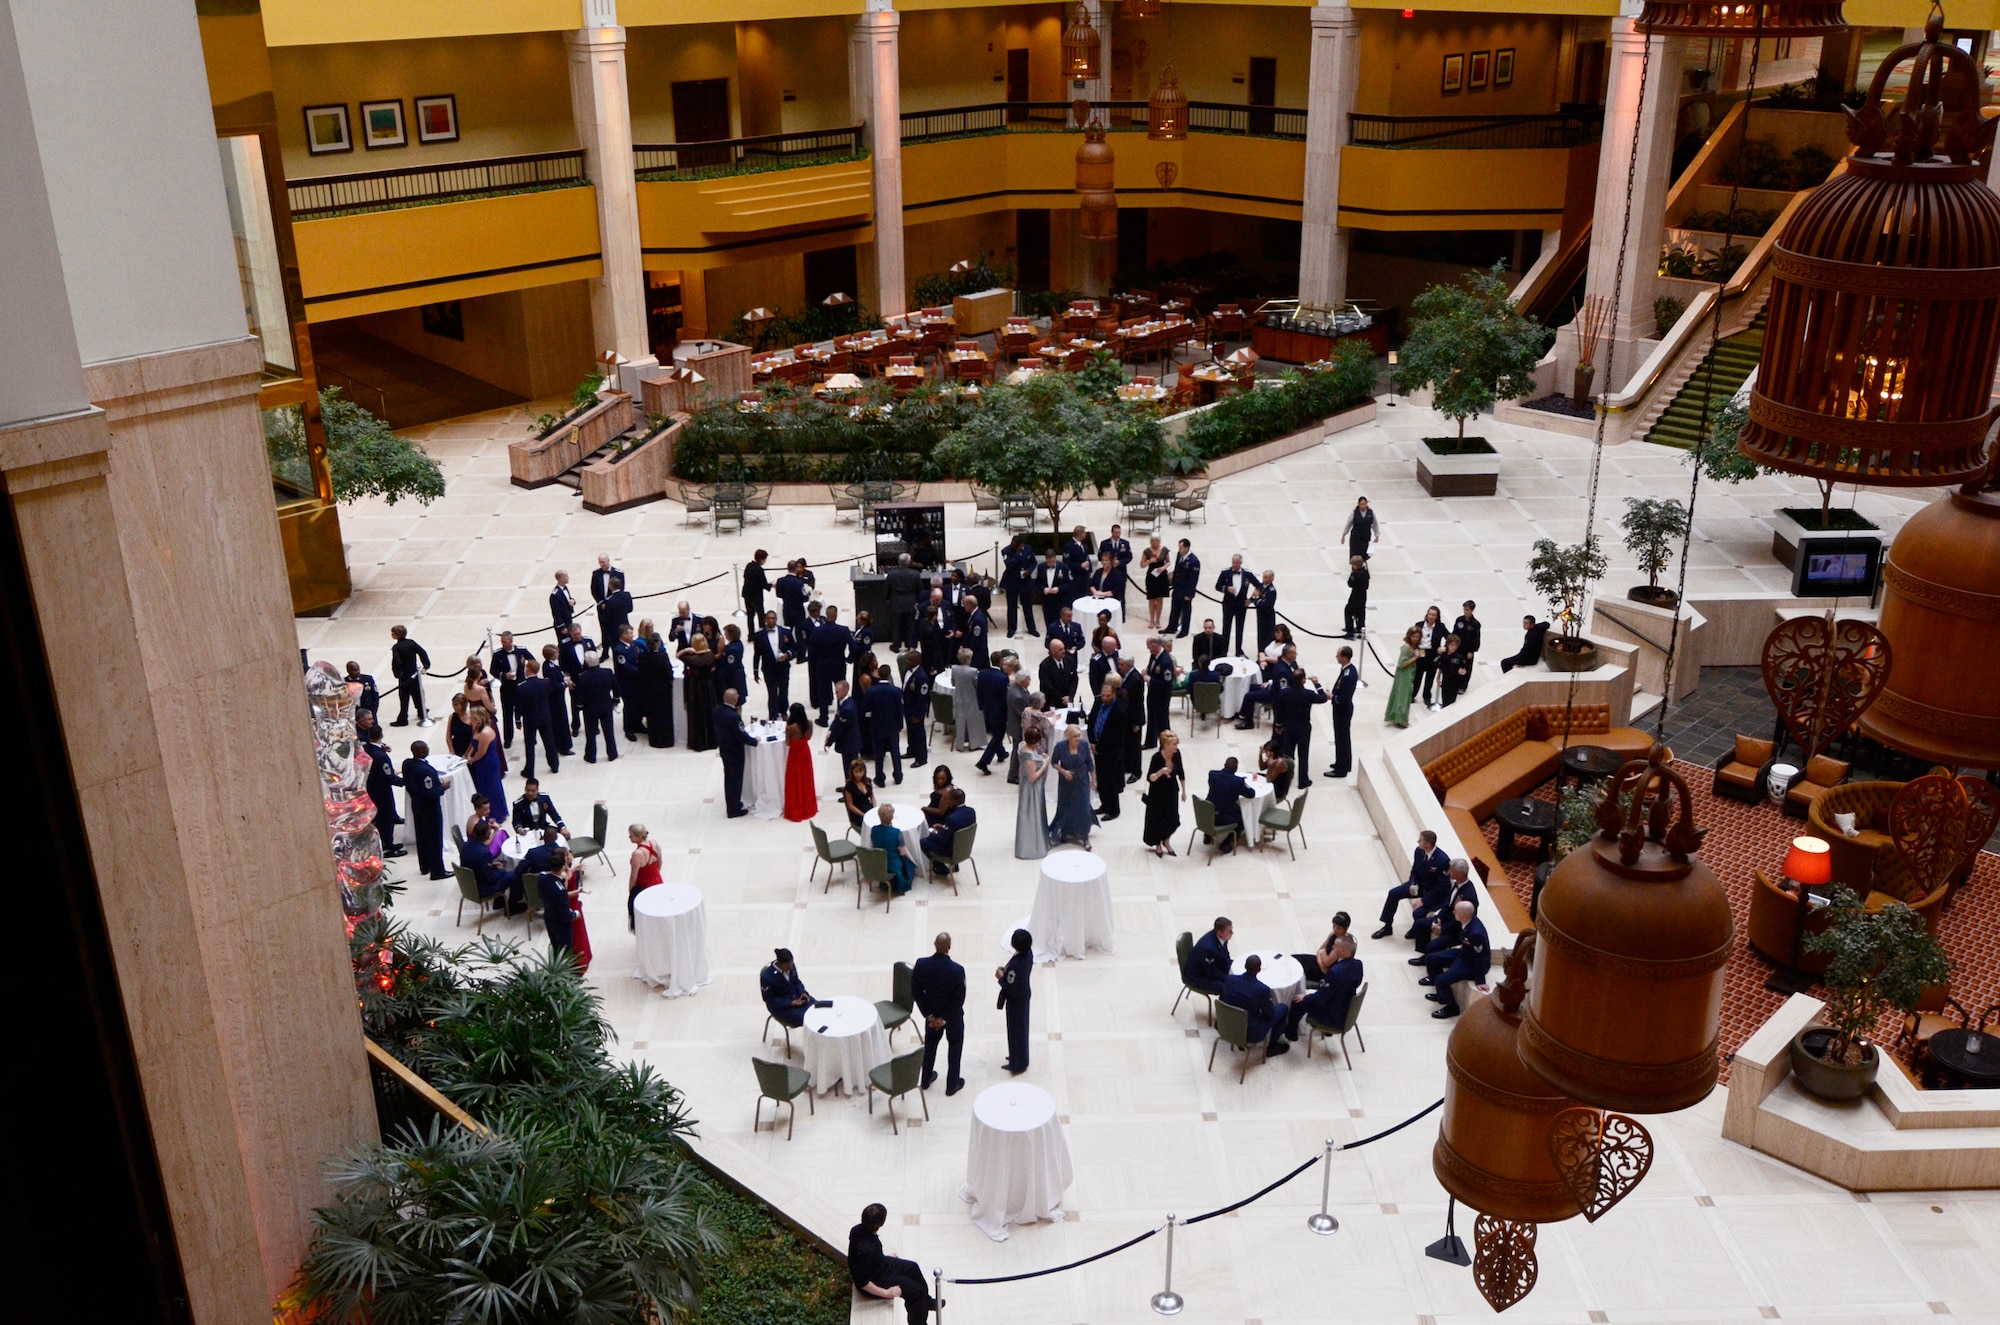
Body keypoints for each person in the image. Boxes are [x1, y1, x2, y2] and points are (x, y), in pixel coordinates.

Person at [849, 1203, 934, 1325]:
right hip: (876, 1281)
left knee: (913, 1267)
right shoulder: (867, 1251)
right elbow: (862, 1282)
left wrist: (881, 1257)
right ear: (881, 1223)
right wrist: (886, 1293)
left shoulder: (857, 1230)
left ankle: (926, 1302)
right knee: (916, 1292)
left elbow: (858, 1257)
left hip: (880, 1265)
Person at [912, 932, 967, 1093]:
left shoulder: (921, 965)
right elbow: (959, 999)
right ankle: (952, 1084)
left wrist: (930, 1015)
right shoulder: (957, 970)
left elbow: (916, 991)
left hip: (931, 1018)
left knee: (930, 1047)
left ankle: (926, 1079)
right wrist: (945, 1019)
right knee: (955, 1048)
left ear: (934, 944)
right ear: (949, 947)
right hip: (953, 1019)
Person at [1373, 830, 1451, 938]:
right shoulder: (1418, 851)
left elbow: (1442, 887)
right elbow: (1415, 870)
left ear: (1427, 844)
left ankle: (1415, 930)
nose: (1418, 841)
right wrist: (1413, 883)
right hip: (1419, 885)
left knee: (1419, 911)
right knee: (1393, 893)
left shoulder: (1443, 860)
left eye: (1420, 840)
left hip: (1432, 891)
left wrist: (1423, 900)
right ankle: (1387, 926)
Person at [1285, 934, 1364, 1040]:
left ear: (1344, 951)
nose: (1332, 947)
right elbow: (1355, 983)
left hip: (1332, 1014)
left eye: (1336, 946)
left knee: (1297, 1001)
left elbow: (1319, 997)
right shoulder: (1358, 965)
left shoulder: (1335, 972)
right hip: (1345, 1007)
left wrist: (1304, 997)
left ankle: (1291, 1034)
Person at [1421, 900, 1491, 1018]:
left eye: (1456, 911)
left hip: (1471, 963)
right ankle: (1440, 992)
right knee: (1431, 959)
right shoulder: (1466, 922)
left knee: (1441, 980)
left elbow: (1480, 957)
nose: (1453, 912)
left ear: (1463, 915)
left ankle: (1452, 1008)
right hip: (1464, 953)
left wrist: (1480, 980)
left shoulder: (1475, 932)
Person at [1222, 954, 1290, 1056]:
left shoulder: (1229, 980)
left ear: (1245, 966)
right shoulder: (1262, 990)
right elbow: (1270, 1015)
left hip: (1227, 1024)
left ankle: (1240, 1042)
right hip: (1250, 1032)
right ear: (1259, 970)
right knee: (1282, 1008)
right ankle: (1272, 1046)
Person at [401, 741, 451, 880]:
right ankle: (437, 871)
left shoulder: (407, 764)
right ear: (422, 752)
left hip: (416, 805)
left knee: (422, 836)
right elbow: (429, 793)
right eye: (426, 748)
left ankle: (425, 865)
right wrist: (442, 788)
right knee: (435, 839)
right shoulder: (426, 771)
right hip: (430, 809)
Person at [1273, 667, 1327, 791]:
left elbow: (1279, 711)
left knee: (1288, 755)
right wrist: (1317, 684)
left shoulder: (1285, 693)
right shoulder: (1308, 694)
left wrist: (1278, 725)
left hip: (1289, 727)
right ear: (1303, 680)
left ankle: (1285, 779)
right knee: (1303, 754)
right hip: (1303, 727)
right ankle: (1303, 780)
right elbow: (1323, 698)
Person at [999, 724, 1049, 859]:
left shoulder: (1022, 746)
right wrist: (1045, 763)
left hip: (1025, 785)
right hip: (1032, 789)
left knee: (1028, 813)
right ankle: (1032, 847)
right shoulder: (1029, 756)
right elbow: (1033, 777)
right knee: (1032, 814)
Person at [461, 819, 526, 915]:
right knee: (516, 874)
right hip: (483, 888)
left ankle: (499, 901)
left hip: (470, 884)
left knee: (506, 872)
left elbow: (475, 864)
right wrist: (502, 871)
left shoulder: (465, 846)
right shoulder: (484, 853)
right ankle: (512, 906)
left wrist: (491, 866)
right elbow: (491, 878)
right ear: (486, 835)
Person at [1049, 723, 1097, 847]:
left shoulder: (1084, 745)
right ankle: (1065, 832)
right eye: (1075, 736)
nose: (1078, 739)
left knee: (1083, 807)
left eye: (1079, 736)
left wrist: (1093, 779)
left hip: (1082, 781)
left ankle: (1084, 836)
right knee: (1066, 806)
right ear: (1069, 737)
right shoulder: (1060, 747)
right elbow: (1053, 762)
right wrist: (1064, 771)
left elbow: (1089, 763)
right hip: (1066, 782)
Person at [535, 846, 583, 965]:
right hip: (560, 923)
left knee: (555, 943)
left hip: (549, 917)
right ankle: (565, 971)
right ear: (562, 867)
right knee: (565, 947)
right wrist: (575, 914)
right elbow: (565, 913)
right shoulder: (560, 890)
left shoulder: (542, 878)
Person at [1143, 729, 1187, 857]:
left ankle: (1166, 840)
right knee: (1157, 819)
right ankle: (1158, 844)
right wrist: (1161, 772)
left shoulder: (1177, 754)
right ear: (1166, 745)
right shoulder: (1156, 758)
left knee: (1173, 818)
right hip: (1157, 793)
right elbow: (1150, 778)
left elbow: (1181, 773)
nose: (1176, 747)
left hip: (1171, 791)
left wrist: (1184, 791)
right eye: (1174, 744)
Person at [1087, 680, 1126, 822]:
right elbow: (1091, 721)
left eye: (1108, 696)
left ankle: (1113, 809)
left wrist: (1100, 747)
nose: (1105, 698)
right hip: (1096, 747)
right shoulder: (1098, 702)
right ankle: (1104, 804)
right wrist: (1092, 742)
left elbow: (1115, 735)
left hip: (1111, 751)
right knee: (1101, 779)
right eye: (1103, 695)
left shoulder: (1120, 709)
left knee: (1111, 781)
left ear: (1114, 694)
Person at [997, 928, 1034, 1073]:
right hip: (1023, 995)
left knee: (1015, 1031)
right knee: (1021, 1029)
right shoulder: (1028, 955)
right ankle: (1019, 1057)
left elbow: (1010, 986)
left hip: (1015, 1000)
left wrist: (1000, 977)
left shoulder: (1016, 965)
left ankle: (1017, 1063)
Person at [714, 688, 755, 818]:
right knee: (735, 780)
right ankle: (734, 808)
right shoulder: (734, 717)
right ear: (735, 699)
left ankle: (731, 804)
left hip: (725, 749)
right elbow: (742, 735)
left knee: (729, 778)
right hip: (735, 752)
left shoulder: (717, 711)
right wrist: (755, 741)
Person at [808, 605, 852, 725]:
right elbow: (853, 646)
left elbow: (812, 650)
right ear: (836, 615)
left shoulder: (817, 631)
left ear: (826, 615)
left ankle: (823, 718)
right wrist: (849, 658)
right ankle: (841, 715)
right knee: (841, 691)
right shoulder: (844, 630)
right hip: (838, 664)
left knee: (822, 692)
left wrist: (814, 664)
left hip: (822, 666)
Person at [363, 731, 403, 857]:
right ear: (381, 736)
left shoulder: (367, 749)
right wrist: (404, 781)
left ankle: (385, 843)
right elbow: (388, 776)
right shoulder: (380, 756)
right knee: (386, 817)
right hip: (381, 790)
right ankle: (389, 846)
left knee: (380, 817)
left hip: (373, 788)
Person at [574, 651, 619, 763]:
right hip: (606, 706)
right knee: (609, 732)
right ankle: (612, 754)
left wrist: (580, 705)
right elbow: (616, 687)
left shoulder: (582, 677)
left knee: (591, 733)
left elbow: (579, 694)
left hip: (590, 708)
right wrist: (616, 699)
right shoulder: (608, 673)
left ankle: (591, 756)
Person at [863, 666, 905, 785]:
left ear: (878, 675)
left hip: (877, 727)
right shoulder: (896, 691)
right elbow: (900, 710)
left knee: (879, 754)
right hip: (892, 727)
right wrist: (899, 725)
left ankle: (880, 778)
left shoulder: (871, 691)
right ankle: (898, 775)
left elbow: (866, 710)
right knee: (895, 752)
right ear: (889, 675)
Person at [751, 610, 794, 721]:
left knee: (784, 690)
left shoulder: (785, 631)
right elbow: (757, 654)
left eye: (773, 618)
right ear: (765, 620)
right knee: (772, 692)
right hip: (768, 669)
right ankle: (773, 714)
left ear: (776, 619)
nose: (771, 620)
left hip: (783, 667)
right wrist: (755, 671)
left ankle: (784, 711)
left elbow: (794, 648)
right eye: (769, 618)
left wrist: (787, 655)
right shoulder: (759, 635)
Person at [921, 787, 975, 874]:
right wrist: (944, 827)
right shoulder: (971, 811)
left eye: (950, 799)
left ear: (955, 801)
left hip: (950, 850)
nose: (948, 801)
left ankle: (940, 867)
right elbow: (959, 828)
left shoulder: (952, 819)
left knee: (923, 841)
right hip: (965, 848)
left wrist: (932, 833)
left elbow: (942, 840)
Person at [1292, 912, 1354, 987]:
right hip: (1320, 965)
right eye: (1334, 926)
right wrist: (1321, 961)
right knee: (1294, 958)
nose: (1335, 929)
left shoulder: (1341, 944)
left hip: (1325, 973)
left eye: (1339, 928)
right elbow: (1320, 950)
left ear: (1346, 929)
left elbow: (1327, 962)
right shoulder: (1332, 934)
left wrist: (1322, 955)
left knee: (1299, 969)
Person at [678, 635, 717, 751]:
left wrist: (686, 650)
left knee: (697, 714)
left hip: (696, 687)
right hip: (709, 686)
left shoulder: (693, 659)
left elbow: (678, 656)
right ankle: (712, 741)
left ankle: (699, 742)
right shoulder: (710, 655)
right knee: (709, 712)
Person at [1205, 757, 1252, 853]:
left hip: (1208, 813)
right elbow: (1251, 794)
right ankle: (1227, 843)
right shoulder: (1238, 782)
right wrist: (1243, 783)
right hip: (1223, 817)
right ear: (1236, 768)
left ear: (1224, 765)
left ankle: (1207, 836)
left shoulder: (1212, 774)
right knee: (1243, 818)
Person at [971, 657, 1009, 775]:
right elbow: (1004, 698)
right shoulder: (1003, 678)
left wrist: (981, 706)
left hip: (986, 710)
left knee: (995, 733)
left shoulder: (982, 673)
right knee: (998, 736)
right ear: (1001, 662)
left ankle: (1001, 753)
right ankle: (984, 761)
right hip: (999, 712)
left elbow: (979, 691)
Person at [638, 633, 677, 748]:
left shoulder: (643, 657)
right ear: (657, 644)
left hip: (649, 690)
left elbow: (641, 674)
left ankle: (655, 739)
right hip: (663, 691)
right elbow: (669, 674)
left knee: (653, 715)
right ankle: (666, 740)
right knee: (665, 715)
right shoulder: (662, 657)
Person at [388, 624, 431, 726]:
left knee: (404, 697)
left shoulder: (397, 647)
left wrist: (397, 674)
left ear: (397, 635)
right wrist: (426, 665)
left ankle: (403, 718)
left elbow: (396, 662)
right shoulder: (411, 643)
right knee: (417, 694)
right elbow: (422, 652)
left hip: (405, 677)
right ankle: (421, 712)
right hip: (414, 674)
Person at [761, 948, 814, 1028]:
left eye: (792, 964)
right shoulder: (767, 977)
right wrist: (790, 1003)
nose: (791, 967)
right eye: (788, 966)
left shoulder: (791, 966)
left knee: (818, 1009)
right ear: (781, 964)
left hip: (797, 998)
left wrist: (802, 992)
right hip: (782, 1008)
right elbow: (770, 1001)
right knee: (809, 1019)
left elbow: (796, 982)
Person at [781, 707, 818, 822]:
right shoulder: (809, 723)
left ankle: (796, 808)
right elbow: (809, 737)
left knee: (794, 781)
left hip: (795, 755)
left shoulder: (790, 728)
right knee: (806, 779)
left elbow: (787, 743)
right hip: (805, 753)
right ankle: (808, 806)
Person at [1327, 646, 1358, 779]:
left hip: (1342, 709)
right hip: (1341, 709)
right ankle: (1343, 763)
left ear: (1344, 657)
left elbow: (1345, 698)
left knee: (1342, 738)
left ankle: (1341, 769)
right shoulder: (1347, 670)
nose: (1336, 657)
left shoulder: (1348, 675)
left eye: (1338, 655)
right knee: (1341, 737)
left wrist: (1331, 697)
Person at [1215, 553, 1254, 656]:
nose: (1235, 565)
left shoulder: (1247, 574)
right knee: (1226, 628)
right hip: (1228, 604)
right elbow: (1218, 586)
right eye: (1233, 563)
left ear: (1241, 563)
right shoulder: (1225, 572)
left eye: (1237, 563)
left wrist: (1251, 599)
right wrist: (1226, 589)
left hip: (1241, 606)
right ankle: (1224, 651)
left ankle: (1238, 650)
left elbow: (1258, 585)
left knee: (1239, 629)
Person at [999, 537, 1037, 639]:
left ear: (1021, 544)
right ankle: (1011, 628)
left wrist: (1029, 571)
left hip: (1025, 582)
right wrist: (1017, 553)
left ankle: (1031, 628)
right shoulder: (1005, 551)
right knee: (1012, 607)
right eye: (1012, 544)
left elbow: (1033, 562)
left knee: (1027, 606)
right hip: (1012, 582)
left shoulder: (1028, 549)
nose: (1012, 546)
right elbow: (1009, 565)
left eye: (1015, 545)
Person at [872, 805, 916, 894]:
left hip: (878, 863)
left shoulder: (874, 830)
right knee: (911, 866)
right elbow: (903, 852)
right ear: (892, 817)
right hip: (893, 864)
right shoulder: (897, 832)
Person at [627, 823, 662, 930]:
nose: (629, 838)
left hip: (643, 887)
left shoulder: (637, 854)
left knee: (638, 912)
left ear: (637, 836)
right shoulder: (654, 844)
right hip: (657, 882)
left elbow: (634, 876)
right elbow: (660, 863)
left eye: (631, 835)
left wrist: (631, 889)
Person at [1185, 917, 1233, 996]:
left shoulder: (1223, 937)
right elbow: (1212, 973)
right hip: (1198, 976)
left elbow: (1225, 956)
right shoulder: (1209, 948)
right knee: (1226, 988)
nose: (1232, 933)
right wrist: (1230, 979)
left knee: (1237, 967)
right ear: (1220, 932)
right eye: (1229, 931)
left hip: (1212, 967)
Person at [948, 648, 984, 752]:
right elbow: (977, 685)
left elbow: (953, 683)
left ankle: (960, 744)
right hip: (972, 699)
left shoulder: (954, 669)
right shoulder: (973, 671)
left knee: (960, 722)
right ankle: (974, 744)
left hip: (959, 698)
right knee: (974, 722)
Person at [1384, 625, 1420, 728]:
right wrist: (1415, 657)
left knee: (1405, 695)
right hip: (1404, 674)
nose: (1415, 639)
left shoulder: (1416, 647)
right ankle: (1401, 719)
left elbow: (1421, 655)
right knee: (1403, 696)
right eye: (1413, 636)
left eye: (1417, 637)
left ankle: (1398, 717)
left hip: (1410, 672)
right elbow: (1401, 664)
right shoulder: (1406, 648)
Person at [900, 650, 932, 768]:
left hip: (916, 710)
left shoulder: (921, 677)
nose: (907, 661)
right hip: (907, 707)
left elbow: (921, 698)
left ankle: (921, 758)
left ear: (916, 661)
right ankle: (911, 750)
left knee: (918, 733)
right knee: (910, 731)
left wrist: (917, 714)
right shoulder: (907, 670)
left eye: (909, 660)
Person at [1413, 605, 1447, 711]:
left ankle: (1427, 697)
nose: (1431, 617)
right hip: (1421, 652)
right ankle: (1412, 694)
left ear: (1437, 617)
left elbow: (1449, 637)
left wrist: (1443, 647)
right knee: (1418, 675)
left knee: (1430, 677)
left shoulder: (1440, 627)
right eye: (1430, 614)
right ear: (1427, 615)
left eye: (1433, 615)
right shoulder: (1419, 625)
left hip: (1432, 653)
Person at [825, 679, 863, 774]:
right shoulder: (846, 702)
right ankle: (848, 784)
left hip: (850, 743)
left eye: (837, 691)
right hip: (849, 742)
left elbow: (840, 728)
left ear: (845, 691)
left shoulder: (847, 709)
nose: (835, 693)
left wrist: (829, 742)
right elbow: (837, 719)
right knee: (847, 766)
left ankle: (850, 786)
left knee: (850, 768)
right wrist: (830, 731)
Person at [1169, 538, 1201, 637]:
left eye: (1181, 547)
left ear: (1187, 548)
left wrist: (1189, 594)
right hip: (1177, 587)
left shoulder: (1194, 561)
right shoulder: (1180, 555)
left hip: (1186, 590)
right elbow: (1176, 569)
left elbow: (1193, 579)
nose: (1179, 550)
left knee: (1185, 611)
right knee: (1175, 608)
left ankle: (1184, 630)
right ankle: (1172, 626)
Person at [1038, 638, 1077, 710]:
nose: (1063, 651)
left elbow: (1074, 679)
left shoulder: (1069, 660)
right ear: (1053, 651)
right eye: (1060, 649)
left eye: (1063, 648)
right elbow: (1048, 686)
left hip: (1068, 701)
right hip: (1052, 703)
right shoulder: (1045, 666)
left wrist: (1070, 696)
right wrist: (1062, 699)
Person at [841, 759, 876, 837]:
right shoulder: (849, 786)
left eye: (861, 772)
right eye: (856, 772)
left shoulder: (868, 781)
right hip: (858, 814)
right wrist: (863, 814)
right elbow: (850, 805)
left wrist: (874, 809)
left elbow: (872, 797)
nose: (858, 774)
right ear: (852, 772)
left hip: (868, 809)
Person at [598, 574, 634, 650]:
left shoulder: (609, 601)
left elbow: (606, 618)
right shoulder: (627, 595)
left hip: (615, 630)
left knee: (616, 650)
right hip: (625, 624)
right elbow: (630, 609)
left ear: (611, 586)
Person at [1142, 536, 1171, 629]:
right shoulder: (1147, 551)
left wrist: (1163, 567)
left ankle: (1158, 620)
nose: (1155, 543)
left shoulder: (1164, 550)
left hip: (1162, 576)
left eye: (1157, 541)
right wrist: (1149, 561)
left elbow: (1168, 562)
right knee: (1151, 599)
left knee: (1159, 599)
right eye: (1153, 541)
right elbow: (1142, 565)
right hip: (1151, 577)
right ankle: (1151, 620)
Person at [1340, 496, 1380, 563]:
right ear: (1358, 504)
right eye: (1361, 504)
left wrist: (1377, 536)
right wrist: (1344, 535)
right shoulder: (1354, 513)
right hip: (1356, 537)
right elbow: (1348, 524)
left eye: (1364, 504)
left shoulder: (1371, 513)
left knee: (1364, 553)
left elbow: (1375, 525)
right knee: (1355, 553)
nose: (1363, 506)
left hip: (1365, 537)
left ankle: (1362, 566)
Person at [1439, 634, 1473, 708]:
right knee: (1444, 700)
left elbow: (1463, 671)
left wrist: (1461, 673)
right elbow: (1440, 667)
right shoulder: (1443, 655)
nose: (1454, 647)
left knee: (1451, 702)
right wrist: (1438, 678)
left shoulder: (1459, 658)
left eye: (1456, 645)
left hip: (1454, 683)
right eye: (1452, 645)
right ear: (1447, 644)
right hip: (1445, 681)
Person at [1251, 568, 1280, 655]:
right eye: (1264, 577)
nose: (1264, 579)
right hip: (1260, 617)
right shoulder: (1260, 586)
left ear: (1271, 579)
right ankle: (1260, 655)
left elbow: (1265, 606)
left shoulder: (1272, 591)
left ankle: (1267, 656)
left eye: (1267, 577)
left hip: (1268, 618)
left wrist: (1256, 599)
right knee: (1260, 637)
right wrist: (1253, 599)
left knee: (1267, 638)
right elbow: (1254, 595)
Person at [1343, 555, 1370, 639]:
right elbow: (1367, 586)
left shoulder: (1356, 574)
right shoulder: (1365, 572)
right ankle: (1360, 630)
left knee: (1348, 611)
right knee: (1360, 613)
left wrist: (1352, 574)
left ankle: (1350, 631)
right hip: (1363, 596)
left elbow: (1350, 583)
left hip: (1355, 596)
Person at [1453, 600, 1483, 669]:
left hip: (1467, 651)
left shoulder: (1475, 624)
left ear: (1472, 610)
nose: (1465, 612)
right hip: (1457, 649)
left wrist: (1471, 651)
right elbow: (1454, 633)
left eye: (1467, 610)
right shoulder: (1459, 620)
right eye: (1464, 609)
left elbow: (1476, 639)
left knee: (1465, 670)